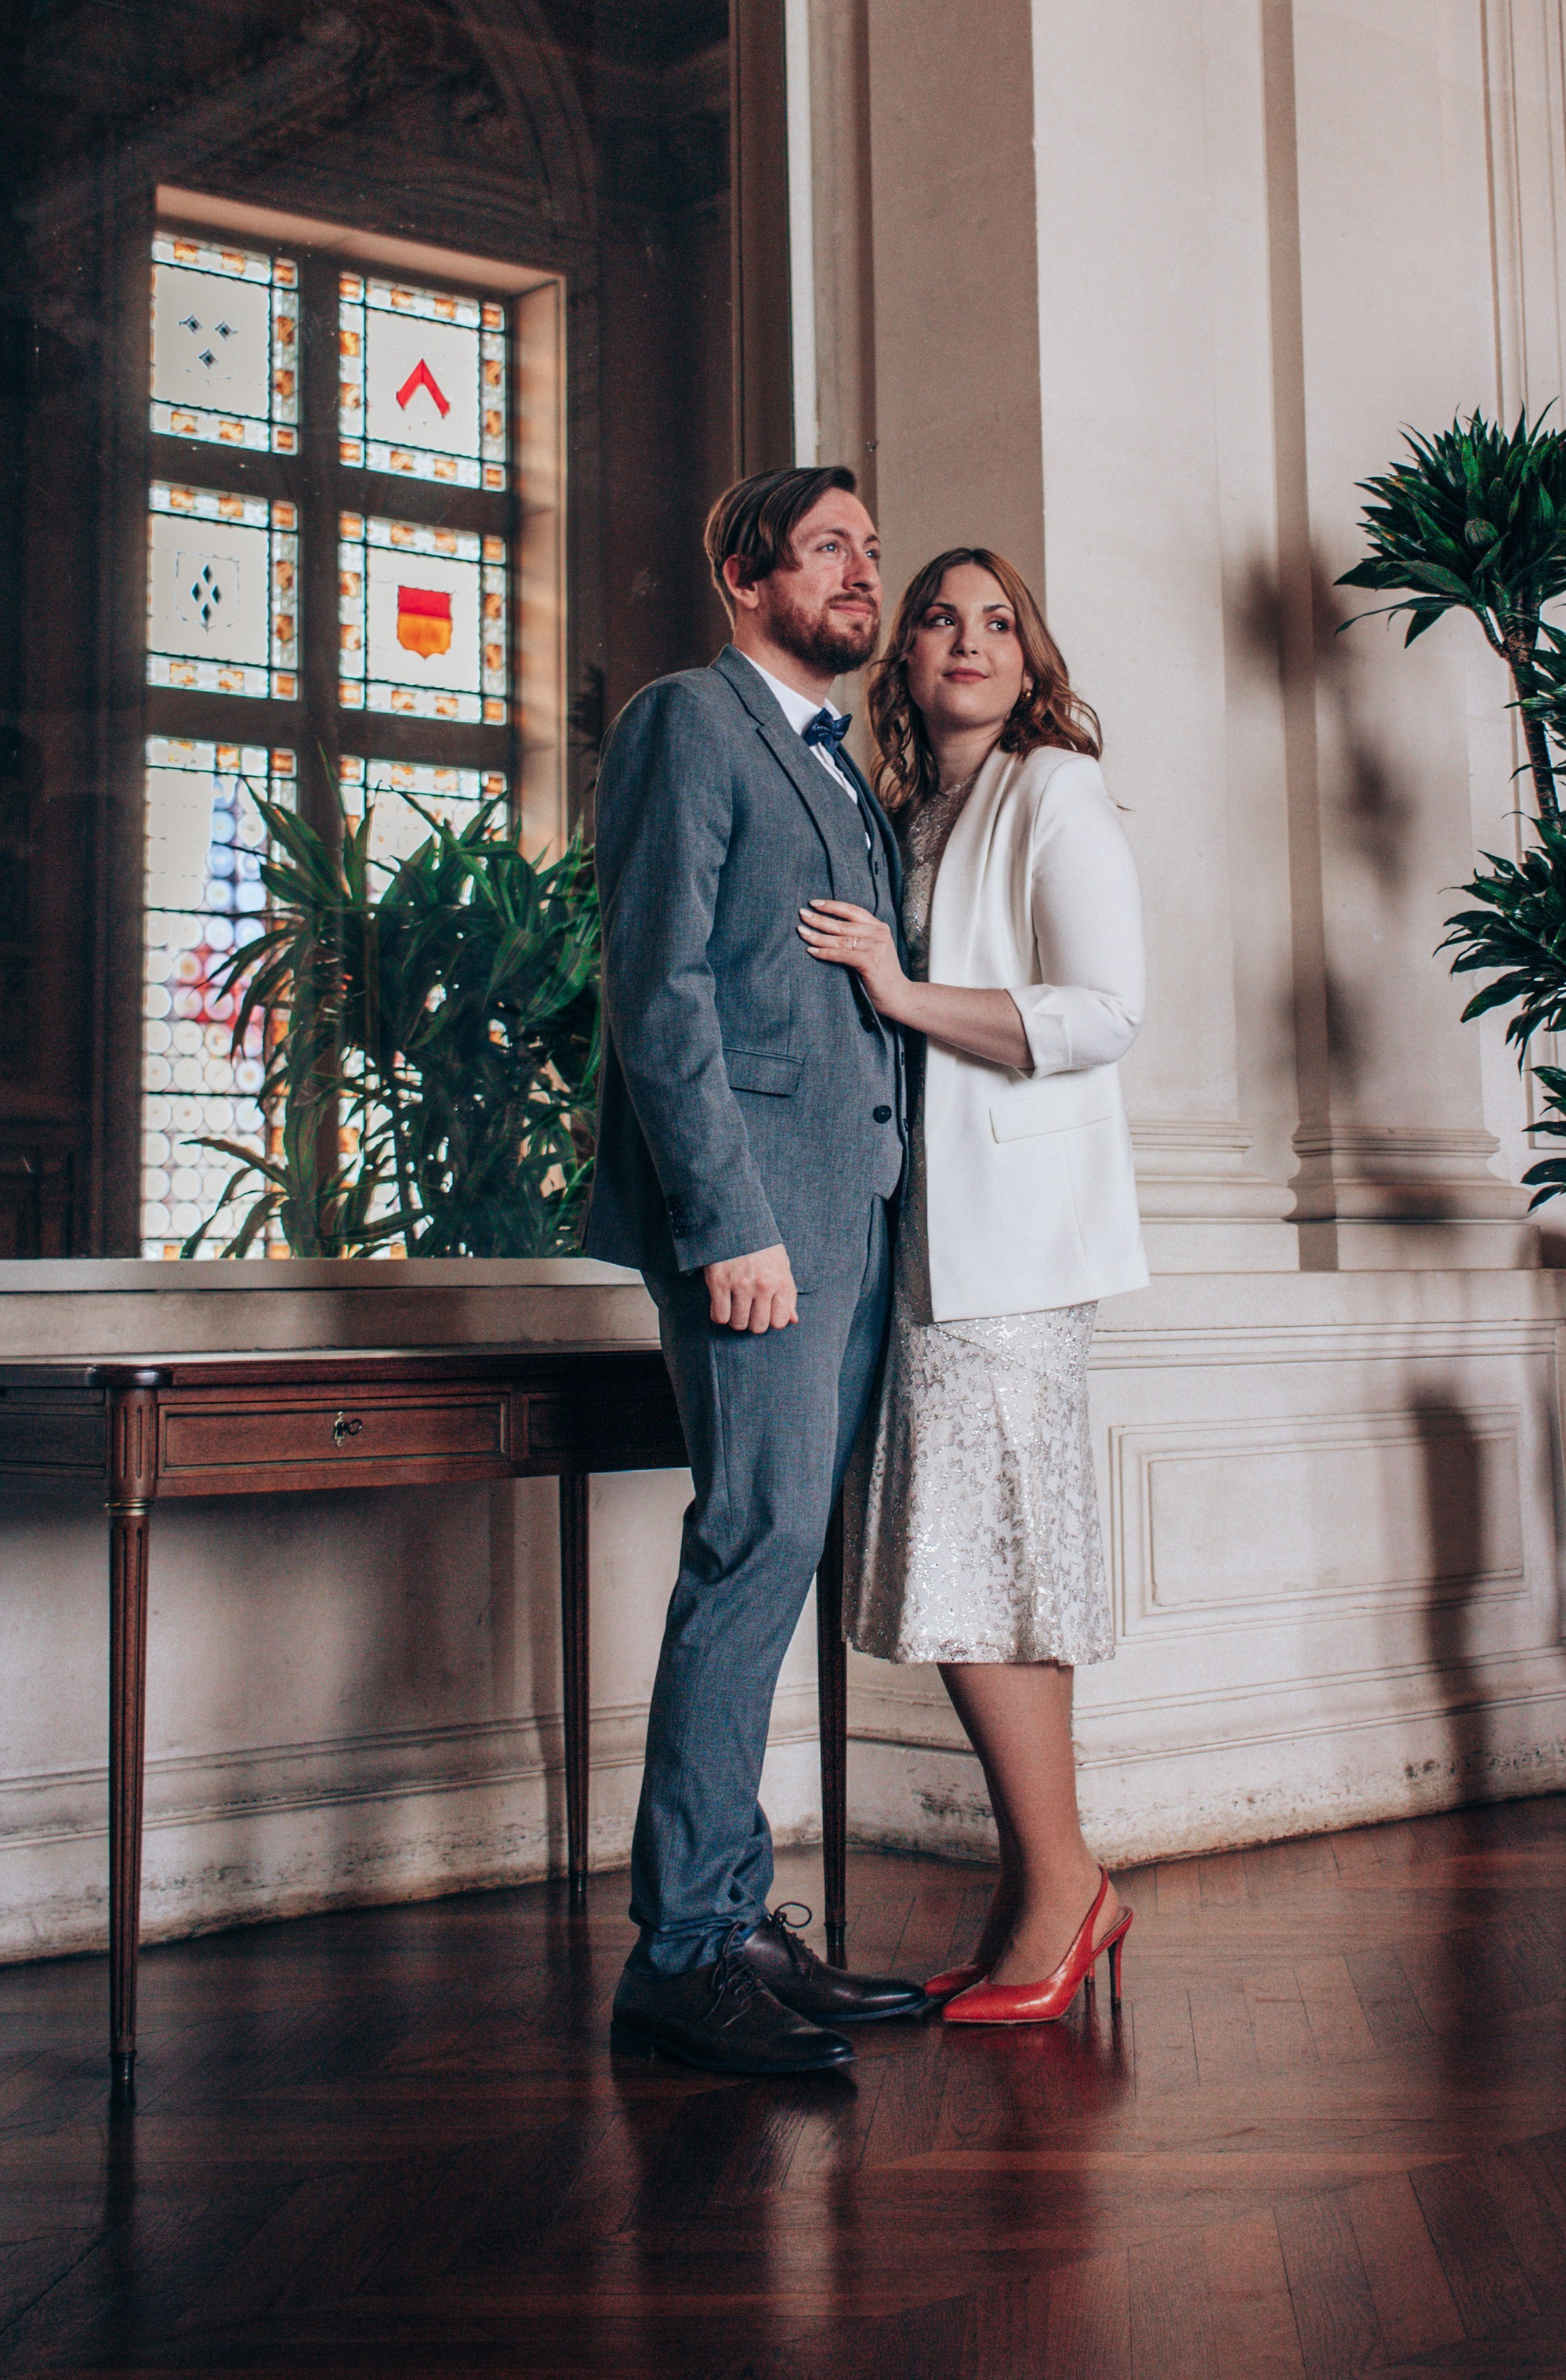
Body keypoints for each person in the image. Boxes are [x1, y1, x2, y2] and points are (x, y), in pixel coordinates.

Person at [585, 464, 928, 2075]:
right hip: (759, 1231)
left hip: (849, 1220)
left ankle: (730, 1915)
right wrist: (727, 1222)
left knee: (778, 1554)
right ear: (743, 572)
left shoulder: (838, 765)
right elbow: (660, 990)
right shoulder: (687, 722)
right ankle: (684, 1953)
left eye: (870, 549)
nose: (862, 573)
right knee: (752, 1545)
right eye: (827, 548)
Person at [797, 546, 1147, 2024]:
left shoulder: (1053, 789)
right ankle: (1044, 1890)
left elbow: (1106, 1010)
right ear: (907, 655)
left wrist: (901, 991)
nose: (967, 640)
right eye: (940, 617)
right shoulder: (905, 815)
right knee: (979, 1559)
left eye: (999, 623)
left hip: (1014, 1242)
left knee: (985, 1554)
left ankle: (1062, 1887)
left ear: (1030, 658)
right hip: (922, 1235)